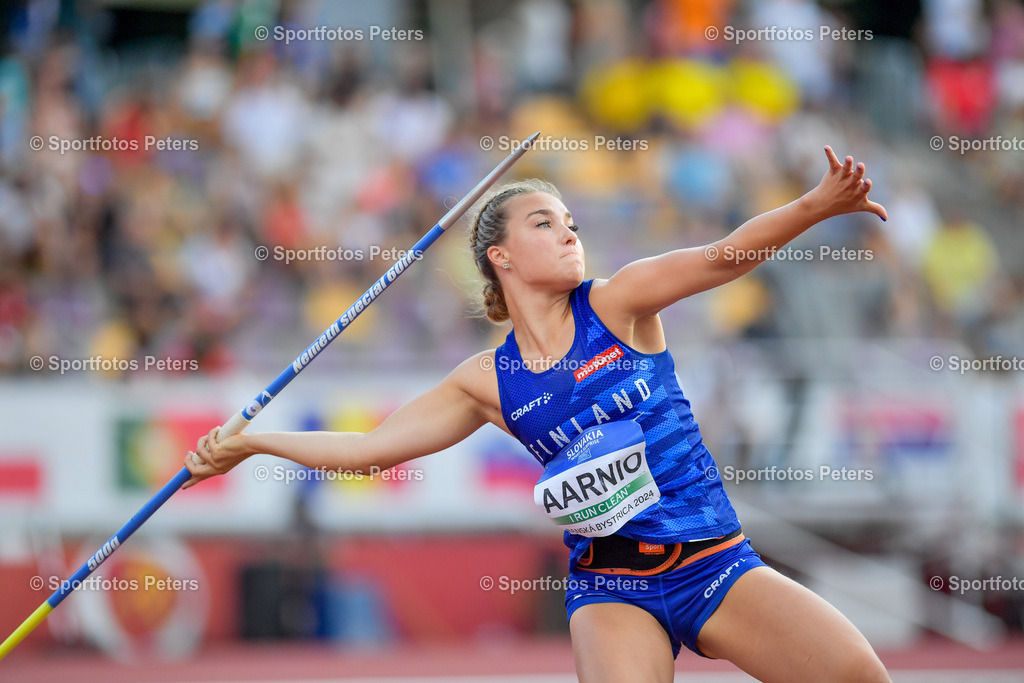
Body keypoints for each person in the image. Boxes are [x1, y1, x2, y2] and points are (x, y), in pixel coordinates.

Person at [184, 146, 892, 682]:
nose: (568, 233)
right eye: (544, 223)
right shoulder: (487, 380)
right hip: (612, 587)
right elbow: (372, 449)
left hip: (712, 559)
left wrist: (817, 204)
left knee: (859, 675)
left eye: (571, 222)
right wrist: (256, 443)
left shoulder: (619, 302)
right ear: (501, 256)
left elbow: (723, 257)